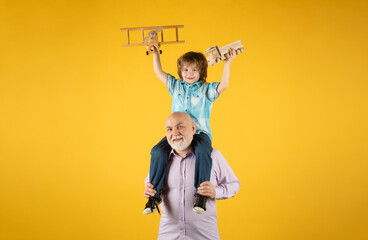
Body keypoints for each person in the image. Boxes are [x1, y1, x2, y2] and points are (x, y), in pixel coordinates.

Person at [143, 45, 237, 214]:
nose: (189, 73)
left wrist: (227, 63)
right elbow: (159, 72)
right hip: (177, 135)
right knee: (157, 151)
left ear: (201, 71)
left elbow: (223, 85)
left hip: (200, 133)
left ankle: (200, 195)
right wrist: (155, 52)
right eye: (185, 69)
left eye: (194, 69)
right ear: (180, 71)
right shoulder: (176, 86)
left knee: (202, 152)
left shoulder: (206, 89)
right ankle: (154, 195)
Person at [144, 112, 241, 240]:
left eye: (180, 127)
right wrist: (149, 189)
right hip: (168, 235)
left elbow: (234, 184)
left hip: (204, 236)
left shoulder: (213, 156)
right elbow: (149, 183)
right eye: (169, 129)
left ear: (193, 128)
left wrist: (215, 192)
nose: (175, 133)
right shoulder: (160, 160)